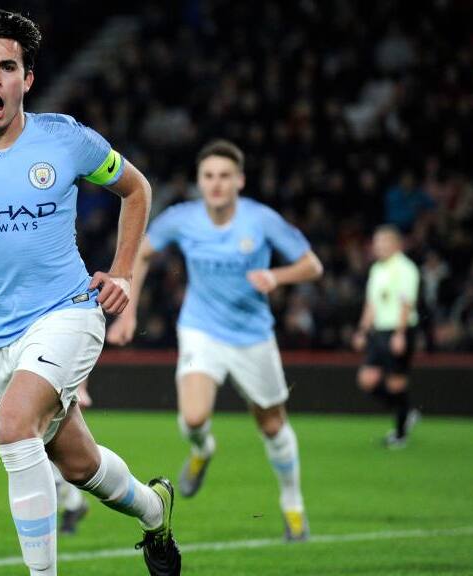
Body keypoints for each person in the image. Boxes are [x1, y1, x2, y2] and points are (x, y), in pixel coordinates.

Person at [0, 10, 181, 576]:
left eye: (7, 67)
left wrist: (120, 273)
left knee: (13, 425)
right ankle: (153, 509)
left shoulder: (64, 139)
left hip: (68, 312)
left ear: (27, 79)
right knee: (79, 465)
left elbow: (137, 189)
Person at [108, 139, 323, 542]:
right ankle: (203, 450)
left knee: (273, 425)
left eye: (225, 176)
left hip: (253, 336)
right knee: (193, 418)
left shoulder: (261, 220)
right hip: (201, 329)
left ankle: (292, 505)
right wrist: (130, 310)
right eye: (209, 176)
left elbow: (312, 265)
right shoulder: (182, 218)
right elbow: (141, 253)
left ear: (239, 180)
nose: (216, 184)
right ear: (199, 181)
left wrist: (277, 277)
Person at [0, 283, 91, 534]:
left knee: (37, 439)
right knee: (37, 439)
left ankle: (65, 509)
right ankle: (73, 503)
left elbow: (72, 321)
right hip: (8, 363)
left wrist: (81, 386)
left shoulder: (33, 277)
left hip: (43, 362)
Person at [352, 225, 421, 448]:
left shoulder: (406, 269)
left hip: (399, 329)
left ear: (396, 244)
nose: (378, 247)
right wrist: (362, 330)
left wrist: (400, 334)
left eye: (383, 242)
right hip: (380, 331)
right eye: (376, 242)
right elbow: (372, 303)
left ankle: (400, 434)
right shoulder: (377, 270)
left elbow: (406, 303)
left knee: (395, 384)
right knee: (367, 379)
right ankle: (407, 411)